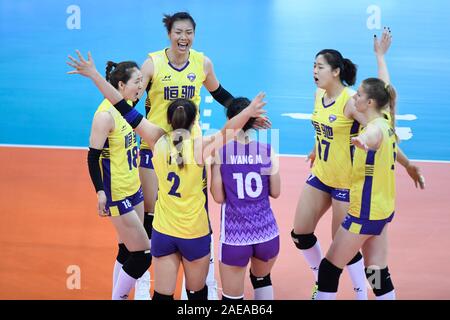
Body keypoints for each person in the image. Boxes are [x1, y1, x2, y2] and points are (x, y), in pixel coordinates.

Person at [67, 49, 267, 300]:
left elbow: (120, 106)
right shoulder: (200, 149)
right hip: (194, 232)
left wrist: (95, 75)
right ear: (195, 122)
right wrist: (248, 113)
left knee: (161, 296)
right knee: (197, 294)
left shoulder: (157, 140)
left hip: (164, 231)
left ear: (169, 120)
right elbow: (230, 128)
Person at [137, 12, 268, 299]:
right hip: (157, 143)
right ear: (168, 34)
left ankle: (186, 263)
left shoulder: (201, 62)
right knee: (152, 211)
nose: (183, 38)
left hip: (190, 147)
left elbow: (221, 94)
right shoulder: (153, 63)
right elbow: (134, 98)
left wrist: (246, 116)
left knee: (194, 201)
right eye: (178, 32)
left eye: (189, 33)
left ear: (194, 34)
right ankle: (155, 266)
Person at [291, 28, 425, 300]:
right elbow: (381, 103)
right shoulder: (324, 97)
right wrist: (318, 147)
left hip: (352, 194)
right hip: (372, 205)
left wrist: (364, 140)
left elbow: (376, 130)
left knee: (335, 263)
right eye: (313, 66)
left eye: (319, 66)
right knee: (374, 269)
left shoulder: (363, 116)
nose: (314, 71)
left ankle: (356, 291)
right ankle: (367, 289)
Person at [316, 29, 399, 300]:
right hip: (383, 212)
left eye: (359, 95)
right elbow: (384, 86)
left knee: (328, 268)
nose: (354, 97)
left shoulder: (374, 130)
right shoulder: (385, 118)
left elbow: (370, 137)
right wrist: (380, 56)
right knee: (376, 271)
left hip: (363, 214)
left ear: (369, 103)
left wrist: (362, 140)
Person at [82, 59, 151, 300]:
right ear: (121, 85)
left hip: (134, 187)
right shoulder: (105, 117)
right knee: (143, 253)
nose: (141, 86)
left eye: (142, 81)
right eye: (137, 82)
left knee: (126, 250)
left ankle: (120, 294)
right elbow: (92, 158)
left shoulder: (129, 105)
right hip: (116, 193)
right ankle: (118, 297)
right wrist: (100, 192)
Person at [210, 98, 281, 300]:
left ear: (230, 120)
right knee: (262, 280)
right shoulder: (268, 151)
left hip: (235, 237)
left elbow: (218, 197)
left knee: (232, 300)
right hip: (267, 234)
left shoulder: (221, 153)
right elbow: (276, 192)